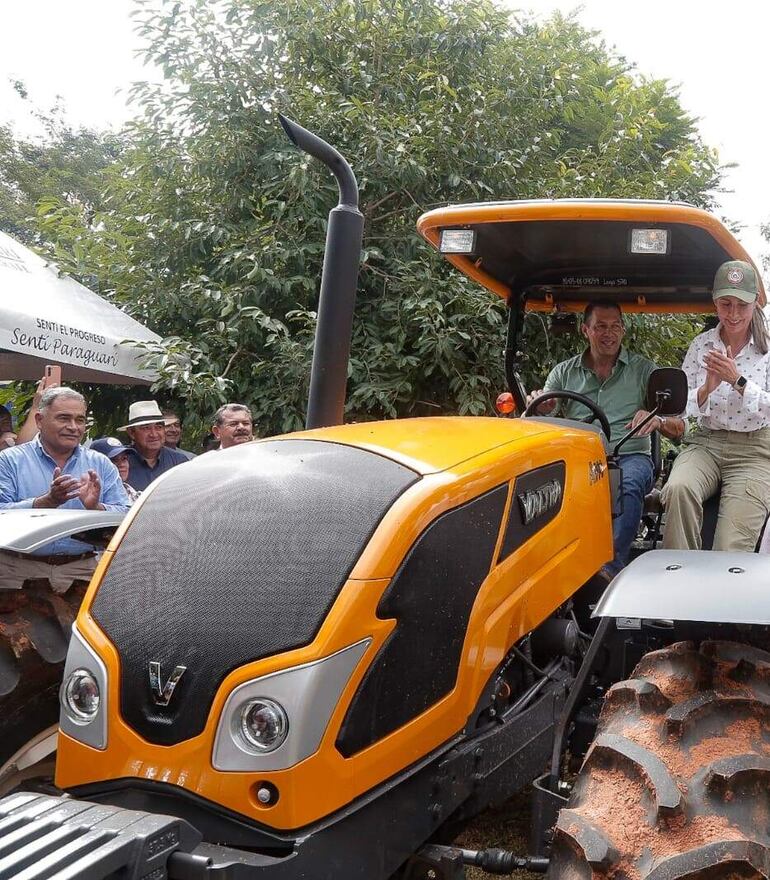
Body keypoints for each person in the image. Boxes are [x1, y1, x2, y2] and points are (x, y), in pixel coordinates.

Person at [527, 300, 683, 576]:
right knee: (540, 488)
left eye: (614, 326)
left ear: (623, 330)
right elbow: (542, 411)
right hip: (578, 457)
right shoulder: (564, 372)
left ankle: (608, 571)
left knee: (628, 481)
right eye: (600, 327)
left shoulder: (644, 370)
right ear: (585, 330)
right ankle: (546, 568)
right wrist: (542, 405)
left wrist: (655, 418)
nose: (608, 333)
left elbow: (677, 425)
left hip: (629, 455)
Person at [662, 260, 770, 552]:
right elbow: (681, 408)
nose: (733, 314)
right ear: (715, 303)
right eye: (726, 304)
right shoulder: (701, 345)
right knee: (678, 488)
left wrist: (737, 380)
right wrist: (707, 388)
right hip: (706, 443)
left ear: (756, 303)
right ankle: (679, 571)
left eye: (742, 305)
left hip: (754, 451)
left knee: (729, 544)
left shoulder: (767, 348)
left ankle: (725, 594)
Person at [0, 387, 130, 591]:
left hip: (83, 570)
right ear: (39, 420)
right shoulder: (10, 461)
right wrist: (45, 502)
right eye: (63, 418)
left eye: (80, 420)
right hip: (18, 570)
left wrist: (96, 508)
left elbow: (126, 515)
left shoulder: (101, 463)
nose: (73, 427)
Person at [120, 401, 189, 491]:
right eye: (146, 428)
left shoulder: (178, 461)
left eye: (159, 427)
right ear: (132, 433)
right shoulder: (120, 462)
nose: (154, 434)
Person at [90, 437, 140, 504]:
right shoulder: (87, 497)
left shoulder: (138, 496)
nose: (121, 464)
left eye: (124, 458)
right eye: (113, 460)